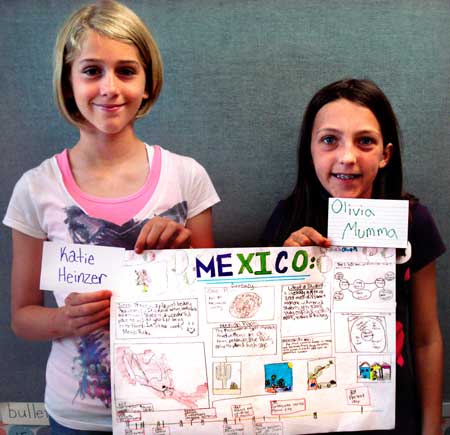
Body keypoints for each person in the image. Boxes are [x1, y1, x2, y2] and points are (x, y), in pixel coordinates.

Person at [3, 1, 220, 433]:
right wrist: (63, 320)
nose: (109, 88)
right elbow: (22, 316)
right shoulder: (36, 187)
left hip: (175, 408)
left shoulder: (186, 176)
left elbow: (214, 303)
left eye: (126, 71)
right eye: (91, 71)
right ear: (68, 82)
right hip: (77, 415)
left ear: (147, 82)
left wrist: (180, 252)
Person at [262, 78, 445, 435]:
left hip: (390, 411)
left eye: (365, 141)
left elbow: (426, 338)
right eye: (329, 140)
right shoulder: (287, 219)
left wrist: (433, 428)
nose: (347, 157)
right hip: (308, 411)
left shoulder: (412, 220)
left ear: (385, 154)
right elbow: (262, 334)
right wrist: (283, 269)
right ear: (310, 151)